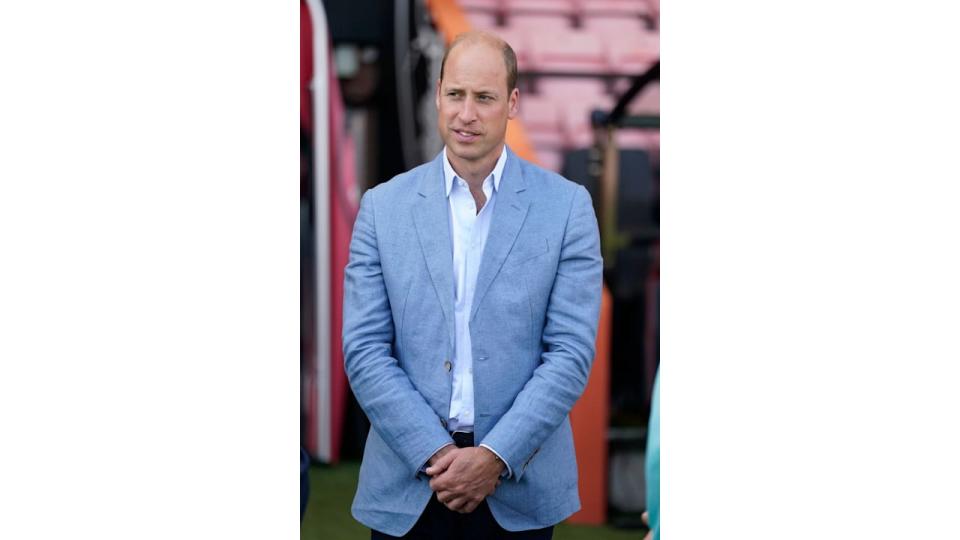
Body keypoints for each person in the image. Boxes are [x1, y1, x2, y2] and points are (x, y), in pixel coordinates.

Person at [342, 31, 602, 539]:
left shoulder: (567, 208)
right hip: (410, 487)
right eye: (456, 94)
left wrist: (493, 457)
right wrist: (437, 454)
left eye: (484, 97)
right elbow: (365, 349)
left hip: (517, 489)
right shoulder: (383, 207)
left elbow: (569, 353)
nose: (466, 113)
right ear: (438, 95)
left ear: (512, 103)